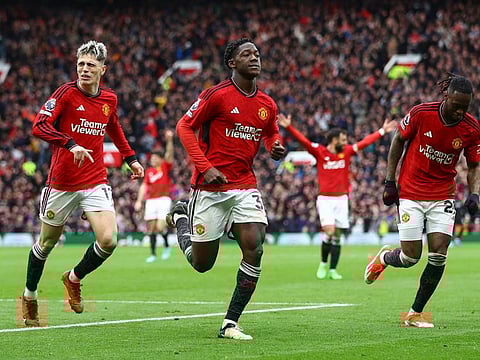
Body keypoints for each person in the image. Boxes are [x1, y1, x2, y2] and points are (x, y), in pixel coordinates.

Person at [166, 37, 285, 340]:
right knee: (202, 264)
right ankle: (182, 218)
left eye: (257, 54)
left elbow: (269, 131)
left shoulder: (267, 104)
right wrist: (205, 167)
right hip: (209, 188)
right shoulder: (216, 95)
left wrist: (274, 146)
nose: (254, 58)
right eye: (247, 54)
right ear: (232, 63)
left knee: (255, 247)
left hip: (244, 185)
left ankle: (230, 322)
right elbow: (184, 126)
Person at [21, 40, 144, 327]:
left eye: (90, 65)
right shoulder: (65, 93)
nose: (84, 69)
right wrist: (70, 143)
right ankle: (29, 295)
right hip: (61, 183)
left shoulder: (109, 99)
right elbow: (39, 125)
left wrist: (131, 158)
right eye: (81, 64)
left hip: (94, 179)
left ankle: (73, 277)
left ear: (103, 69)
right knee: (47, 243)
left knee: (109, 240)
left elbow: (113, 126)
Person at [364, 74, 480, 328]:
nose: (460, 111)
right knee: (410, 258)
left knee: (439, 254)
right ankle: (384, 259)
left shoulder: (471, 128)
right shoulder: (421, 113)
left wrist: (474, 192)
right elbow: (398, 141)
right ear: (445, 96)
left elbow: (473, 165)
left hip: (443, 196)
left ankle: (415, 313)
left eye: (466, 106)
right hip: (410, 193)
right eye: (456, 104)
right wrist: (389, 181)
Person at [278, 114, 396, 280]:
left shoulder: (346, 152)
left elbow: (363, 143)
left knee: (338, 236)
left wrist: (382, 131)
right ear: (333, 140)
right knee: (330, 231)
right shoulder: (320, 152)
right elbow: (303, 141)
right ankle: (323, 263)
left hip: (341, 199)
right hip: (325, 199)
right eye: (342, 139)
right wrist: (289, 127)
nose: (345, 142)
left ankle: (333, 269)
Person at [135, 130, 174, 262]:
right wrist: (139, 201)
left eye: (154, 157)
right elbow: (144, 186)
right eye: (151, 158)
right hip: (151, 200)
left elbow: (169, 154)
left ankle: (167, 246)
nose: (152, 159)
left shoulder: (164, 166)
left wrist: (169, 140)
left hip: (163, 199)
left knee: (160, 227)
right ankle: (153, 254)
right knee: (151, 229)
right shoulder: (149, 172)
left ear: (160, 159)